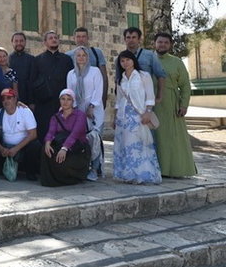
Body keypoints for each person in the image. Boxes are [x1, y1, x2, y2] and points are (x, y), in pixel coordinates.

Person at [113, 50, 162, 184]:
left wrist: (148, 111)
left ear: (133, 60)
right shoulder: (120, 79)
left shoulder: (143, 76)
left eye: (127, 59)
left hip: (138, 114)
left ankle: (142, 174)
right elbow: (118, 100)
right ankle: (127, 174)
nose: (125, 63)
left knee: (138, 145)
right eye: (122, 61)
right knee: (124, 145)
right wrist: (115, 117)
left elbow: (150, 96)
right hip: (123, 116)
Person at [154, 32, 197, 177]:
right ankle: (156, 169)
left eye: (166, 42)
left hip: (172, 105)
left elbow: (185, 85)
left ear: (170, 45)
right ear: (155, 43)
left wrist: (184, 105)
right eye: (160, 42)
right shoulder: (148, 59)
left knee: (173, 138)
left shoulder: (177, 62)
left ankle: (175, 169)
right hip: (152, 103)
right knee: (156, 137)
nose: (162, 45)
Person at [67, 46, 105, 181]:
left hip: (94, 110)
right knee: (82, 139)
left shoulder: (94, 72)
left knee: (94, 139)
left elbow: (98, 90)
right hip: (78, 110)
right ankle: (83, 167)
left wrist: (92, 107)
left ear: (87, 57)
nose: (81, 58)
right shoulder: (71, 74)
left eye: (84, 55)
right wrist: (76, 110)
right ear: (75, 58)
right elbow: (70, 93)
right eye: (78, 55)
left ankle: (95, 168)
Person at [0, 88, 41, 180]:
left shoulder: (25, 111)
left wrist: (16, 149)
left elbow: (33, 134)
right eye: (3, 99)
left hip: (23, 147)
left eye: (9, 98)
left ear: (15, 99)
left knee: (35, 145)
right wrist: (1, 148)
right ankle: (1, 168)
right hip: (5, 147)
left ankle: (30, 173)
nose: (6, 101)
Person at [29, 31, 73, 142]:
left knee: (62, 134)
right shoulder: (37, 60)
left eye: (55, 37)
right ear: (45, 42)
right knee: (44, 134)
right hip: (43, 104)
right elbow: (32, 81)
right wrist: (32, 103)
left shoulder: (66, 60)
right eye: (50, 38)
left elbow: (71, 82)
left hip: (62, 104)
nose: (54, 40)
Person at [41, 89, 91, 187]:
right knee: (45, 149)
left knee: (65, 159)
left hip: (77, 147)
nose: (65, 102)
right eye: (63, 99)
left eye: (69, 99)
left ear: (73, 101)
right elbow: (51, 132)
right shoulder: (56, 117)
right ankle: (51, 180)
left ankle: (72, 178)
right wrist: (47, 142)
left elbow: (75, 134)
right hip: (62, 143)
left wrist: (64, 148)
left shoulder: (80, 115)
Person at [117, 27, 166, 103]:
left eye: (134, 37)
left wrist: (159, 97)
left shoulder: (149, 55)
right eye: (128, 37)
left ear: (139, 39)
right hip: (127, 102)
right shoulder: (120, 58)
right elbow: (118, 79)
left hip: (145, 100)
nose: (131, 40)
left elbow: (161, 75)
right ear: (124, 39)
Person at [66, 27, 108, 107]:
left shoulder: (97, 53)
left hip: (94, 98)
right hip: (76, 98)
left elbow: (104, 77)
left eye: (83, 36)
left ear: (88, 38)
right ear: (74, 38)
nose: (81, 39)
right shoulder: (68, 55)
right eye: (78, 37)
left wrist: (104, 98)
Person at [9, 32, 34, 105]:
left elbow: (32, 81)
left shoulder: (31, 59)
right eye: (16, 41)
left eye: (21, 41)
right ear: (12, 42)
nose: (19, 43)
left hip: (27, 99)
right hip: (11, 99)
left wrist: (32, 102)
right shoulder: (8, 60)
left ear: (25, 42)